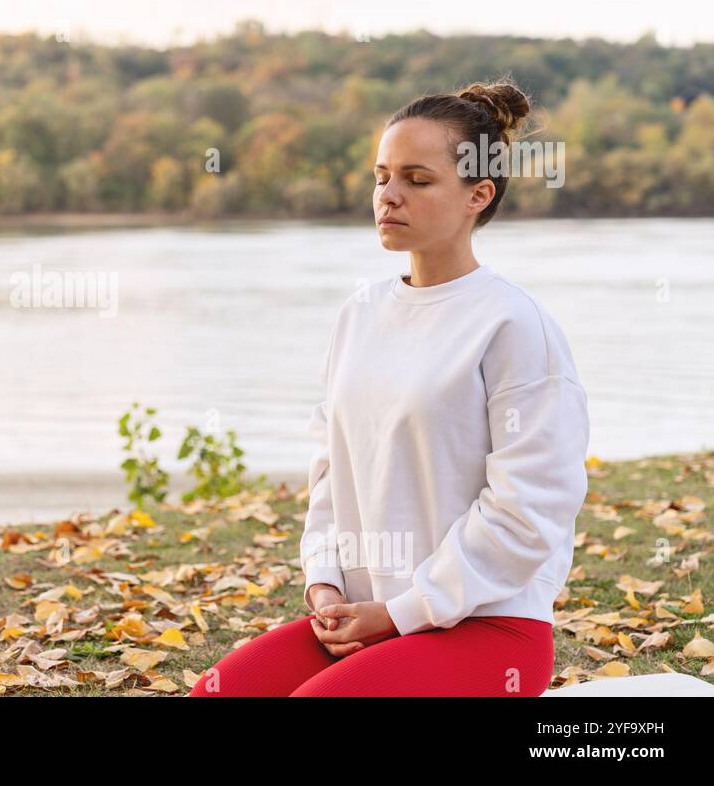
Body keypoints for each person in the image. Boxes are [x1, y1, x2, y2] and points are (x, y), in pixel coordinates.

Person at [189, 78, 590, 696]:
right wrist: (323, 581)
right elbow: (331, 470)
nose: (389, 196)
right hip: (366, 621)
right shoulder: (360, 314)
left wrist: (404, 610)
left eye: (417, 180)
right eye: (381, 177)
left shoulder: (513, 324)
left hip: (487, 627)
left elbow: (530, 512)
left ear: (476, 195)